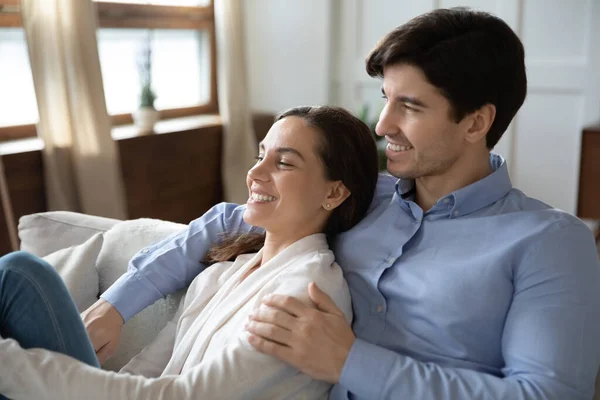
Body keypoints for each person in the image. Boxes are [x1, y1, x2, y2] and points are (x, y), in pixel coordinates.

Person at [80, 7, 600, 400]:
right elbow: (225, 221)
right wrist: (114, 306)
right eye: (386, 99)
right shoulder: (362, 196)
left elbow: (546, 394)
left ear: (476, 122)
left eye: (410, 106)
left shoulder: (552, 242)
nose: (383, 125)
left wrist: (351, 361)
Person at [0, 106, 379, 399]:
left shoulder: (306, 294)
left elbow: (186, 396)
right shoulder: (222, 272)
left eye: (283, 163)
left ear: (334, 193)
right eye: (259, 155)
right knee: (19, 270)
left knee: (20, 275)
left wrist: (10, 364)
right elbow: (141, 374)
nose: (255, 173)